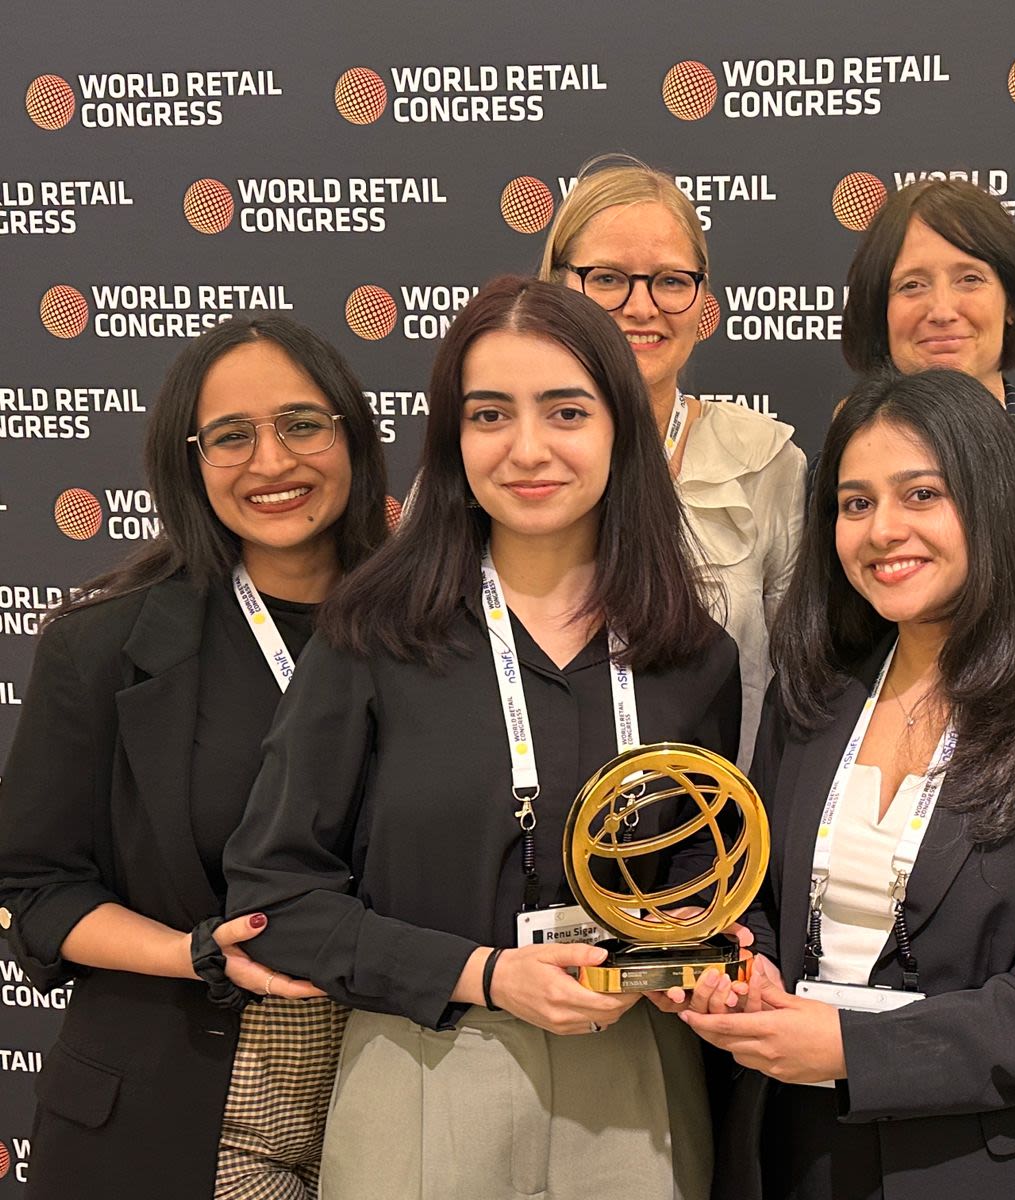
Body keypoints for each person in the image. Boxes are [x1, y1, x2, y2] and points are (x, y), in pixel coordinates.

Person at [224, 277, 741, 1200]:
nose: (528, 448)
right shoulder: (372, 638)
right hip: (425, 1063)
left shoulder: (693, 656)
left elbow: (702, 890)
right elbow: (277, 897)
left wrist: (699, 966)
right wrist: (486, 975)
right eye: (490, 414)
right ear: (452, 441)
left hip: (638, 1079)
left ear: (621, 427)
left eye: (566, 411)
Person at [681, 368, 1015, 1199]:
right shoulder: (813, 701)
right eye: (856, 503)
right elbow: (753, 898)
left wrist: (850, 1049)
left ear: (992, 504)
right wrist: (745, 967)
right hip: (796, 1152)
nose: (882, 530)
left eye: (922, 495)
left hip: (993, 1167)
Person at [0, 315, 389, 1199]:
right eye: (231, 437)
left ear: (352, 436)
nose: (272, 463)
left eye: (301, 423)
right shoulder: (103, 645)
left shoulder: (434, 634)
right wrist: (196, 951)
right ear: (190, 461)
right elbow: (38, 890)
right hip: (173, 1104)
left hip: (395, 1088)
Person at [540, 153, 806, 768]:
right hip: (524, 828)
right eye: (607, 278)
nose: (641, 308)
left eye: (669, 280)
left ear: (701, 299)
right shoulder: (494, 459)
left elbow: (807, 680)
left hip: (718, 829)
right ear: (557, 287)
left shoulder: (766, 464)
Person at [841, 177, 1015, 582]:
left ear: (1012, 304)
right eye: (911, 285)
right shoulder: (837, 473)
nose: (942, 310)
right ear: (881, 312)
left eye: (969, 279)